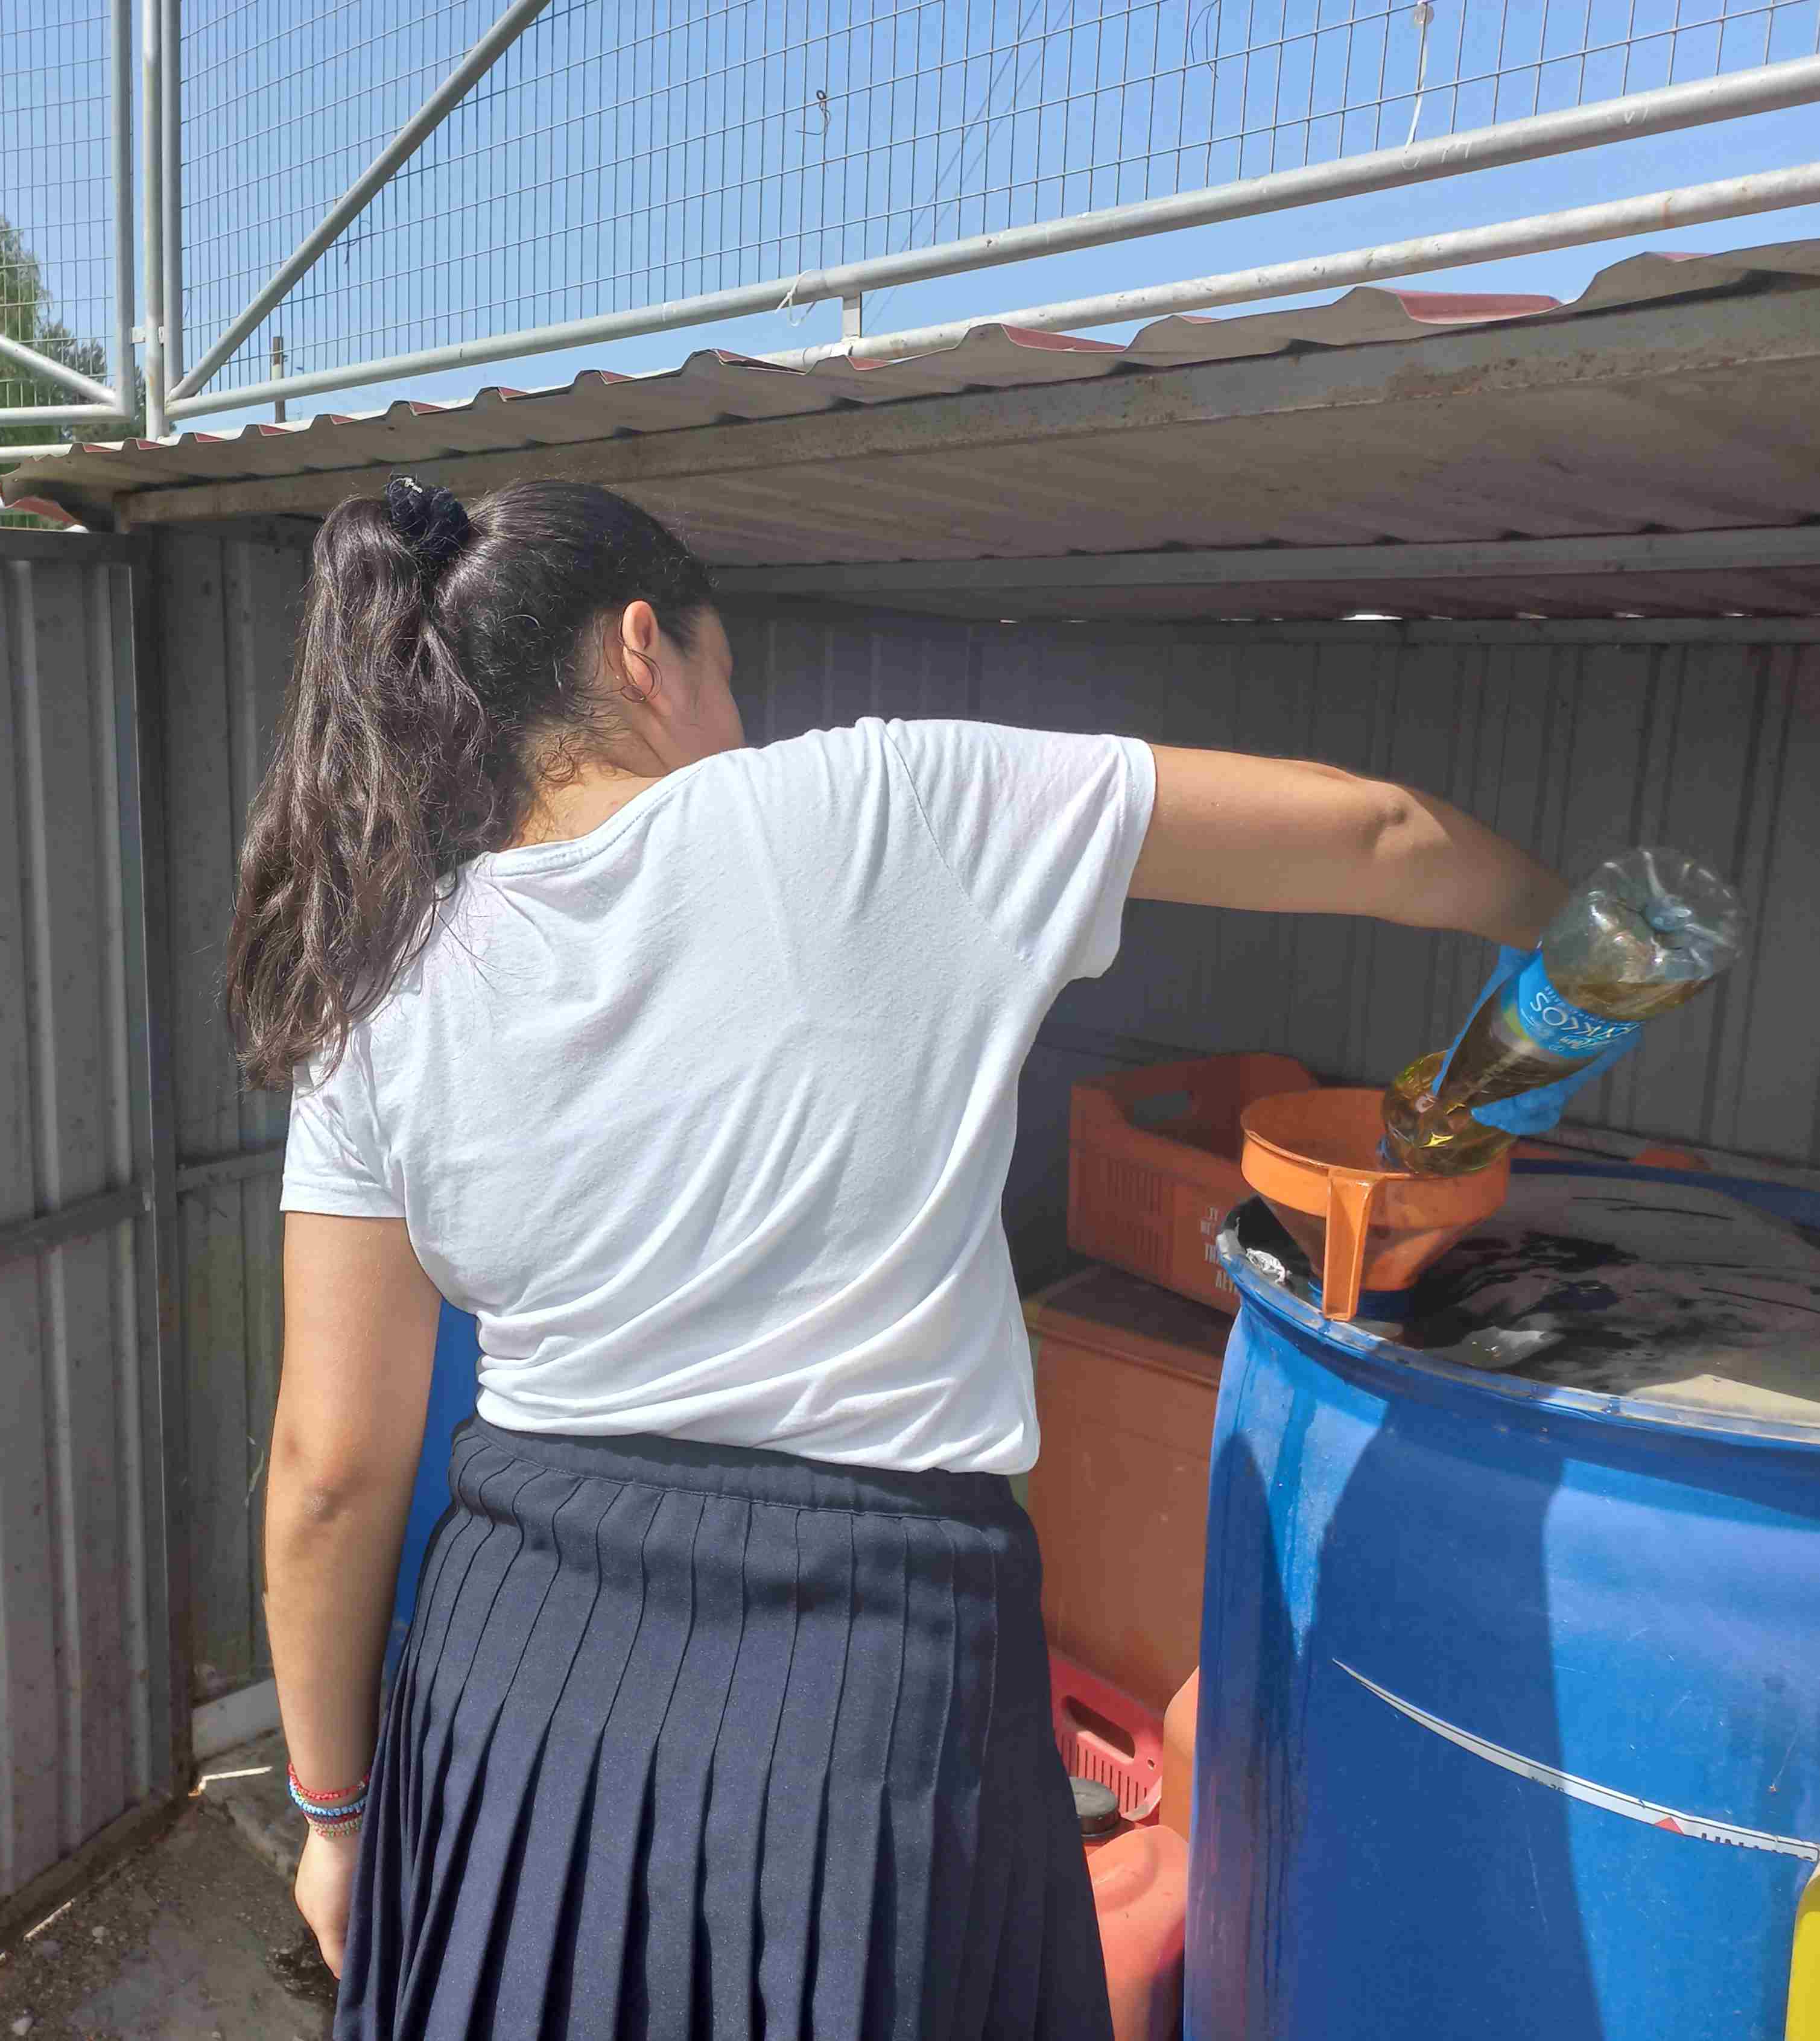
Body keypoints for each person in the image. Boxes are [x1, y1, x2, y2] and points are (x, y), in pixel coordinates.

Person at [230, 477, 1564, 2040]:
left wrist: (336, 1818)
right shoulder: (882, 802)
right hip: (864, 1680)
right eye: (730, 676)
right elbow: (1377, 832)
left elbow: (330, 1470)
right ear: (645, 647)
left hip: (517, 1673)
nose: (739, 723)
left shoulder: (379, 970)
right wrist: (1576, 932)